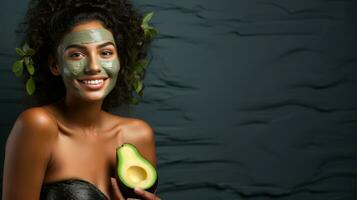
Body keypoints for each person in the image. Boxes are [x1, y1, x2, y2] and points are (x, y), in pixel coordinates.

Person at [2, 0, 161, 199]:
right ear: (55, 65)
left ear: (120, 61)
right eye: (76, 54)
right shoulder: (38, 126)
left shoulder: (138, 135)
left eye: (106, 53)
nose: (93, 66)